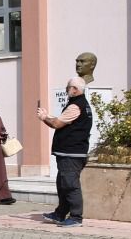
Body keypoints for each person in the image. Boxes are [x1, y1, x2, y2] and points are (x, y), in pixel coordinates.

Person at [38, 77, 92, 227]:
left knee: (70, 185)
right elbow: (62, 120)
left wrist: (44, 118)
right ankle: (60, 214)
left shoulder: (76, 106)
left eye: (68, 87)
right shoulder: (79, 104)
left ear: (75, 89)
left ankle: (76, 217)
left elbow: (57, 123)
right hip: (68, 153)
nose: (66, 89)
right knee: (62, 184)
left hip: (72, 153)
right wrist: (48, 115)